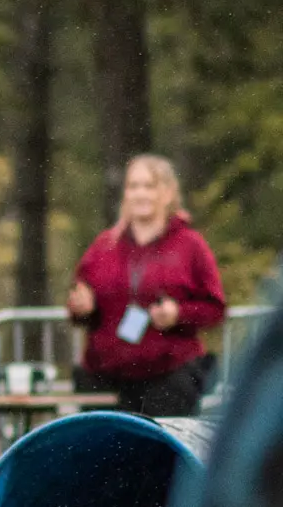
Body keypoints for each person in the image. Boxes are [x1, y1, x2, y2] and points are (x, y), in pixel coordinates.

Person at [67, 154, 227, 417]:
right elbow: (78, 304)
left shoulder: (190, 245)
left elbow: (215, 308)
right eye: (133, 186)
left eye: (149, 186)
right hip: (106, 376)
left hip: (168, 376)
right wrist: (82, 307)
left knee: (156, 454)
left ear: (167, 193)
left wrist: (179, 314)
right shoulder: (104, 245)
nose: (140, 194)